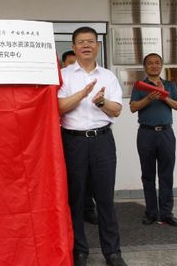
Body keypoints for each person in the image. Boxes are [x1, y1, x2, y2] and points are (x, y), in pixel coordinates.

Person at [58, 27, 127, 266]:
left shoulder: (108, 76)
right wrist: (83, 94)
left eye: (90, 41)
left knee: (105, 198)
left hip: (102, 141)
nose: (86, 45)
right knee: (75, 199)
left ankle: (113, 252)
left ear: (97, 46)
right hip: (73, 142)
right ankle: (79, 251)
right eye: (80, 42)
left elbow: (116, 109)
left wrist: (101, 102)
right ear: (74, 47)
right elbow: (57, 108)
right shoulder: (63, 75)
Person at [129, 53, 177, 227]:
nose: (154, 66)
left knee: (166, 174)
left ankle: (166, 213)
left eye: (157, 63)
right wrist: (148, 98)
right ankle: (151, 213)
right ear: (145, 67)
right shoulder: (140, 86)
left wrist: (164, 97)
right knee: (148, 175)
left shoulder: (169, 85)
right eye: (150, 63)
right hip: (146, 134)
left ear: (161, 66)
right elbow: (132, 107)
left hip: (166, 134)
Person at [62, 49, 98, 225]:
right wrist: (82, 94)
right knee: (74, 178)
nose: (73, 66)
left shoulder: (98, 78)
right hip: (68, 135)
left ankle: (89, 209)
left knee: (91, 176)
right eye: (69, 63)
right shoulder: (62, 80)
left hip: (94, 137)